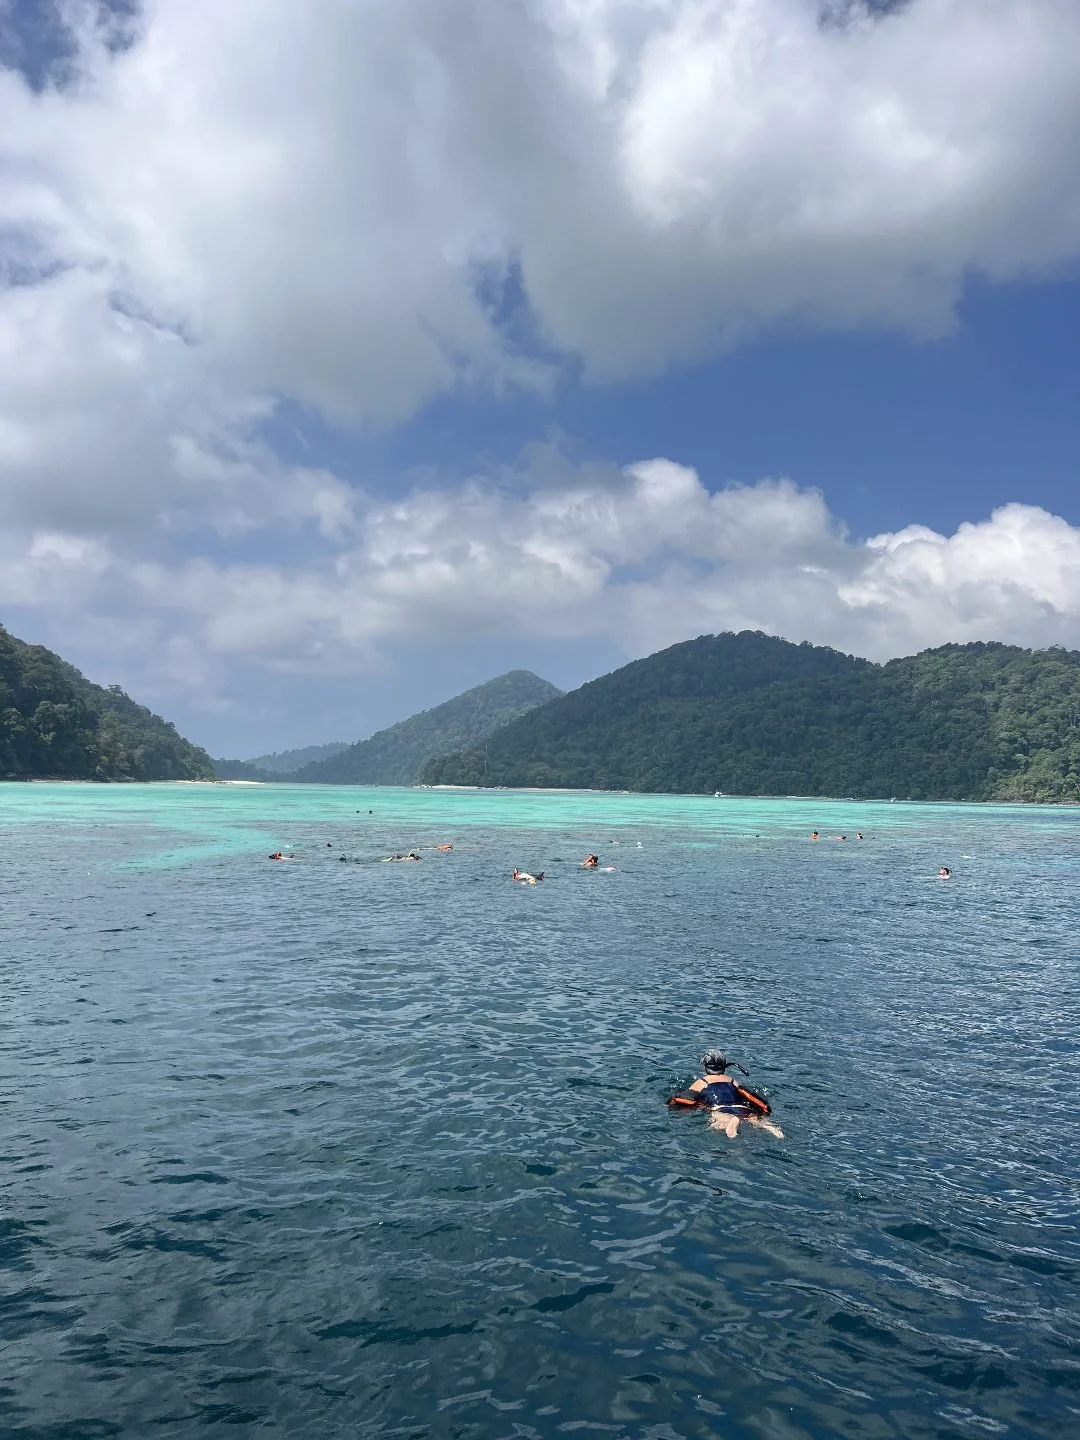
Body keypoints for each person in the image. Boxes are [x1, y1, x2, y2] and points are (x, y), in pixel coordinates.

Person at [668, 1051, 784, 1139]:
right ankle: (771, 1128)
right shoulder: (732, 1080)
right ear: (724, 1067)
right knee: (757, 1121)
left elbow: (688, 1096)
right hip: (744, 1109)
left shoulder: (702, 1082)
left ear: (705, 1066)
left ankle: (732, 1123)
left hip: (721, 1110)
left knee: (715, 1125)